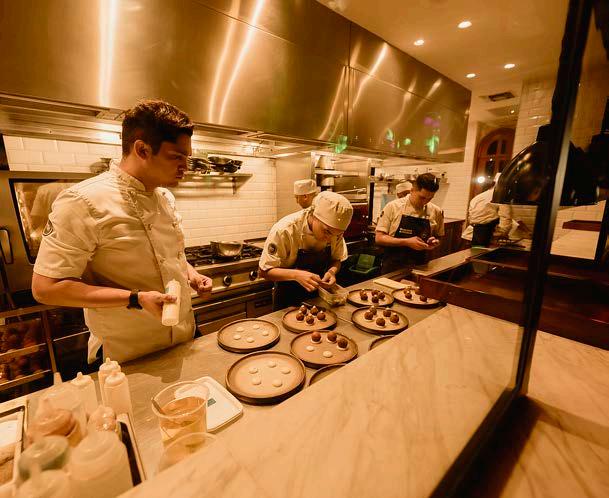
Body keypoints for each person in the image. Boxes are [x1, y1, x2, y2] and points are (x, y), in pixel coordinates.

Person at [31, 100, 212, 363]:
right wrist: (135, 298)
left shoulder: (164, 198)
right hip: (125, 353)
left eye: (188, 158)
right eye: (177, 157)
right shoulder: (82, 201)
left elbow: (170, 257)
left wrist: (192, 275)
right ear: (142, 149)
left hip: (183, 338)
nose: (186, 166)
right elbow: (46, 289)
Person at [259, 191, 353, 310]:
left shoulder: (334, 233)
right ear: (314, 215)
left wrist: (331, 272)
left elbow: (336, 259)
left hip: (319, 299)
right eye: (327, 232)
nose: (330, 239)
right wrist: (296, 275)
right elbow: (263, 271)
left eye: (337, 235)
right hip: (287, 301)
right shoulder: (285, 230)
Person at [375, 173, 443, 274]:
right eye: (422, 197)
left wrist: (434, 242)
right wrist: (406, 242)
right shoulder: (393, 207)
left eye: (430, 198)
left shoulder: (436, 211)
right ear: (412, 190)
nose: (425, 202)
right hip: (393, 267)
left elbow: (439, 236)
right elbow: (379, 238)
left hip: (422, 267)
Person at [461, 174, 512, 247]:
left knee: (470, 253)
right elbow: (505, 218)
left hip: (469, 236)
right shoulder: (500, 197)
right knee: (481, 254)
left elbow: (470, 218)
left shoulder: (478, 197)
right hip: (487, 237)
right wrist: (502, 234)